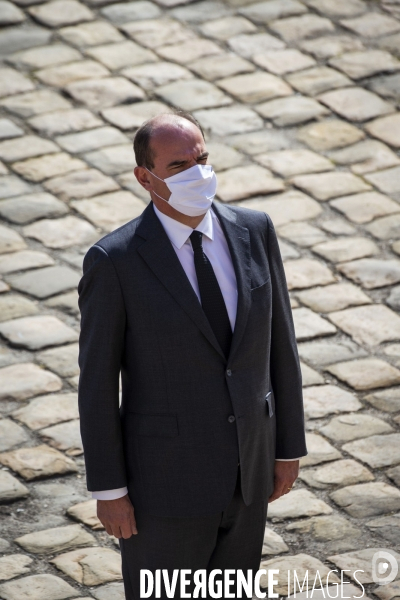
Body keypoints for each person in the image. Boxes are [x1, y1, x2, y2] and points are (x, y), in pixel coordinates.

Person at [77, 110, 307, 600]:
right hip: (164, 488)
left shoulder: (255, 230)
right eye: (180, 166)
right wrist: (110, 491)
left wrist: (287, 448)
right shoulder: (114, 263)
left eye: (202, 158)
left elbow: (280, 347)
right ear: (146, 178)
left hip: (249, 475)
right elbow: (96, 385)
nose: (199, 173)